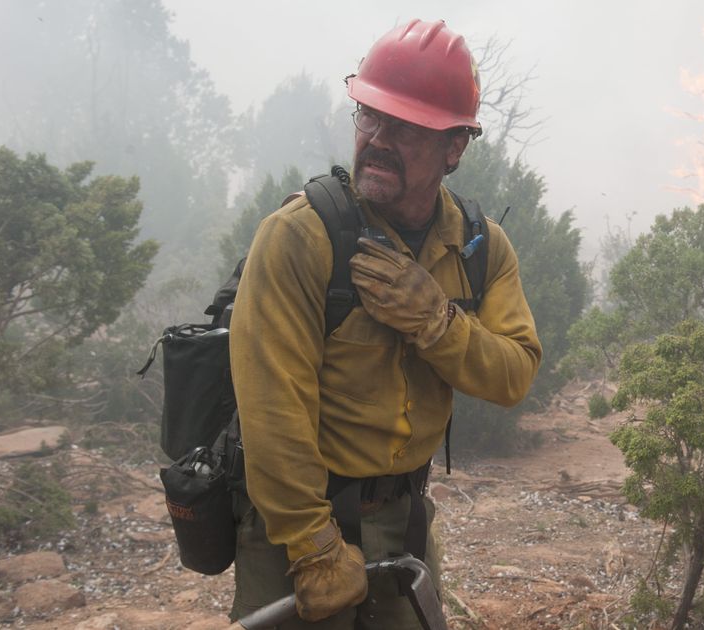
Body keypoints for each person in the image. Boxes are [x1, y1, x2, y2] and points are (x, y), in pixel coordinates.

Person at [227, 19, 542, 629]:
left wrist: (437, 322)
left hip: (404, 526)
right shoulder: (301, 237)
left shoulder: (482, 249)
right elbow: (271, 409)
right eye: (369, 116)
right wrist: (313, 547)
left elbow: (514, 374)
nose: (377, 138)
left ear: (455, 146)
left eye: (405, 126)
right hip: (296, 529)